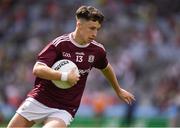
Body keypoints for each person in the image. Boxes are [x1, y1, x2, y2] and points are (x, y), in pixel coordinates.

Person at [7, 5, 135, 128]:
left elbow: (106, 68)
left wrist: (118, 90)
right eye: (91, 28)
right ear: (79, 25)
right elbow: (37, 69)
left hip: (65, 107)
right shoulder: (60, 44)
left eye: (97, 29)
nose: (95, 33)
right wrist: (64, 76)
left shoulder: (97, 50)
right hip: (40, 99)